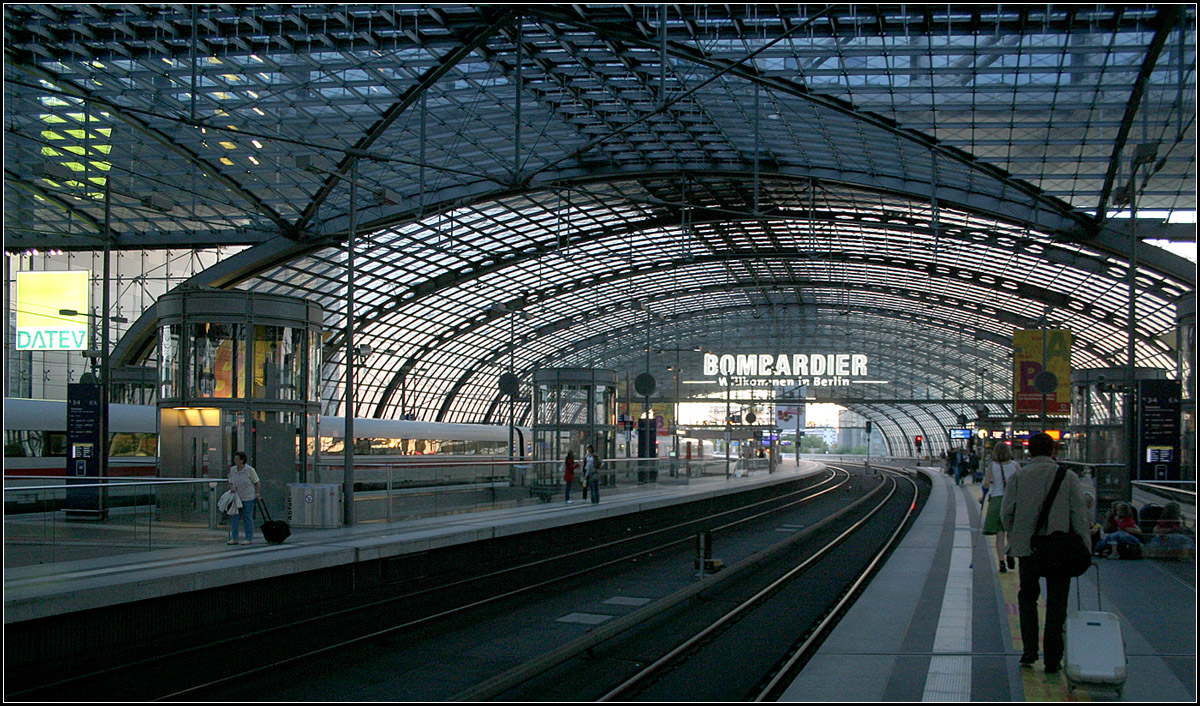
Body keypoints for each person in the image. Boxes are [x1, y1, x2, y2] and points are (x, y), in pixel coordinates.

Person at [1001, 432, 1090, 674]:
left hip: (1028, 548)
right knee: (1057, 603)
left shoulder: (1019, 476)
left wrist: (1017, 535)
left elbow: (1006, 513)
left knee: (1027, 597)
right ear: (1053, 451)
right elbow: (1079, 515)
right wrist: (1085, 547)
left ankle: (1029, 650)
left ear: (1029, 451)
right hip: (1060, 549)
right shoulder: (1068, 477)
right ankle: (1053, 658)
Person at [982, 442, 1016, 573]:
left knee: (1000, 535)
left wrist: (983, 496)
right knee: (1011, 532)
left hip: (997, 500)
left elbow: (986, 483)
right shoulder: (1015, 465)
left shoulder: (992, 466)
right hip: (1012, 501)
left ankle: (1001, 563)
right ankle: (1010, 553)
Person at [227, 451, 262, 546]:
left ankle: (249, 538)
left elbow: (257, 482)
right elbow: (230, 480)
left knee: (247, 517)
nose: (235, 460)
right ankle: (234, 537)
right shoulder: (233, 470)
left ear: (242, 460)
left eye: (237, 459)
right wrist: (231, 487)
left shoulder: (249, 470)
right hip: (236, 497)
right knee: (235, 516)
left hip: (248, 497)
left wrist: (257, 494)